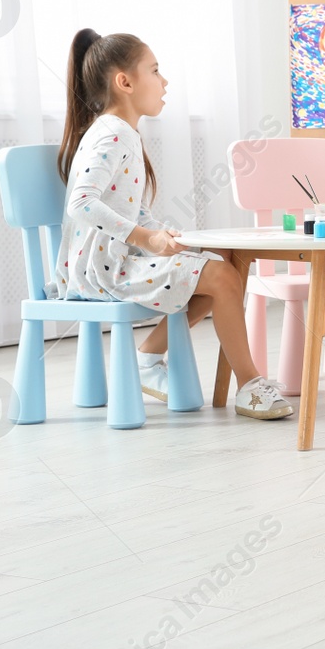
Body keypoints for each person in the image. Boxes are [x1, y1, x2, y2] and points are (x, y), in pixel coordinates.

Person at [52, 29, 291, 419]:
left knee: (219, 262)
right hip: (102, 272)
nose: (165, 82)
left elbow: (128, 208)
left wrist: (161, 233)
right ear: (125, 82)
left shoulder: (117, 132)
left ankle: (149, 357)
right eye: (156, 71)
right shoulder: (112, 134)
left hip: (111, 261)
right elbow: (82, 202)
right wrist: (147, 238)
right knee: (223, 276)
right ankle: (249, 385)